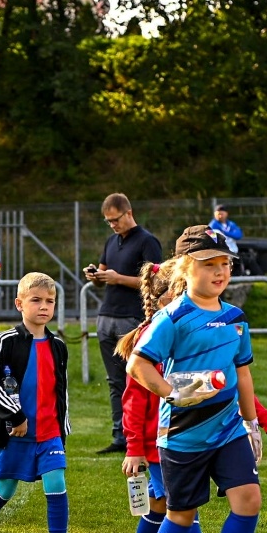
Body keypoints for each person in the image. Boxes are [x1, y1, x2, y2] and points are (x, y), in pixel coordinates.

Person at [127, 226, 267, 533]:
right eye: (208, 264)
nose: (219, 271)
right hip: (183, 435)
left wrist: (252, 423)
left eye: (224, 263)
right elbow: (138, 365)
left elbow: (242, 373)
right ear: (184, 268)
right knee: (181, 514)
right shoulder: (173, 316)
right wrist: (172, 393)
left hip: (228, 429)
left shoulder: (235, 318)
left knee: (249, 500)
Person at [117, 260, 248, 533]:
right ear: (165, 298)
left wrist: (257, 418)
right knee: (183, 510)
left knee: (161, 507)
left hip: (201, 431)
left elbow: (234, 378)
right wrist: (134, 447)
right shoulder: (159, 333)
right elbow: (133, 400)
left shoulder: (206, 326)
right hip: (163, 441)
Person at [0, 272, 78, 533]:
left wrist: (62, 428)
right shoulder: (7, 340)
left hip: (49, 431)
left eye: (50, 301)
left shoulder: (58, 345)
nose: (44, 306)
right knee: (5, 488)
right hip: (15, 432)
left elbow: (61, 391)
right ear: (19, 304)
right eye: (36, 300)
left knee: (56, 483)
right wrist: (15, 416)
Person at [86, 193, 163, 454]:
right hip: (107, 316)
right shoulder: (111, 241)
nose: (112, 225)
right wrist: (96, 276)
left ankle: (139, 436)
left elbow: (156, 281)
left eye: (115, 219)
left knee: (137, 380)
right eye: (108, 221)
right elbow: (104, 273)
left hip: (132, 318)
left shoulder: (147, 241)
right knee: (114, 382)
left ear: (129, 213)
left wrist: (118, 278)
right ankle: (120, 436)